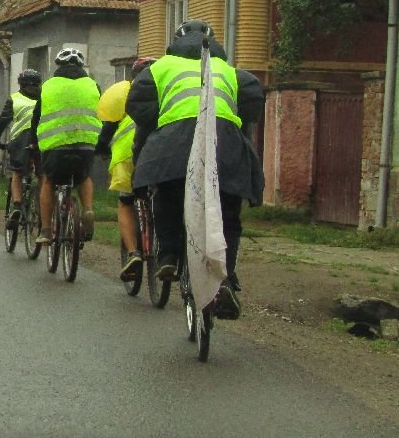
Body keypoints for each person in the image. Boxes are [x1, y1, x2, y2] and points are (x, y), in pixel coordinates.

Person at [127, 19, 265, 320]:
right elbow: (252, 104)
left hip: (173, 144)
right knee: (228, 212)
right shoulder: (231, 71)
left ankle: (168, 256)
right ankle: (225, 275)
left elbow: (140, 112)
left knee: (166, 194)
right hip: (223, 142)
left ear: (175, 41)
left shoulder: (160, 68)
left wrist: (147, 152)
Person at [30, 48, 101, 245]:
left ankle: (46, 230)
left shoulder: (48, 86)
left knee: (48, 181)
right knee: (84, 177)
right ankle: (88, 210)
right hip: (86, 144)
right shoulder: (93, 85)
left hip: (55, 146)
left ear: (59, 66)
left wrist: (33, 142)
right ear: (81, 66)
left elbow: (36, 119)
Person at [95, 57, 156, 281]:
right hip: (159, 156)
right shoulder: (168, 92)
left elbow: (108, 129)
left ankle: (133, 253)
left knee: (126, 202)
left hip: (127, 155)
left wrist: (101, 149)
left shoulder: (123, 93)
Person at [0, 69, 42, 231]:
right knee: (42, 175)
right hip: (41, 140)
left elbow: (2, 122)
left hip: (21, 141)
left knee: (17, 173)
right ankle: (41, 205)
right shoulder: (44, 98)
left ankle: (17, 206)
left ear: (20, 84)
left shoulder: (15, 99)